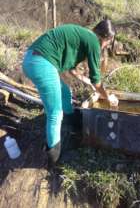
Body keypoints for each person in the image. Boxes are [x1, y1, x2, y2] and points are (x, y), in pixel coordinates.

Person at [22, 19, 118, 166]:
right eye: (108, 43)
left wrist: (85, 80)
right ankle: (53, 156)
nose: (105, 46)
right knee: (55, 113)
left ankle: (71, 120)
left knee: (65, 92)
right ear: (107, 38)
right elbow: (96, 80)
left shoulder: (84, 35)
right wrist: (107, 97)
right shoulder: (93, 41)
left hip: (31, 59)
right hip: (42, 63)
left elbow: (72, 69)